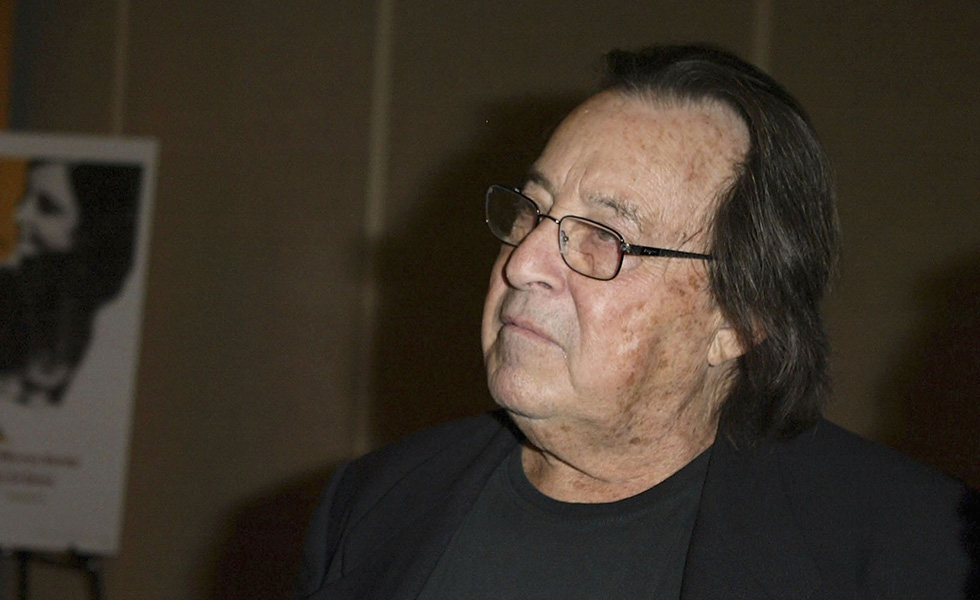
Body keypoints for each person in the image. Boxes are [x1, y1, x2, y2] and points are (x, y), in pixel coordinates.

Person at [294, 44, 978, 599]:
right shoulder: (371, 504)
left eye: (603, 236)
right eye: (533, 210)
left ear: (742, 319)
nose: (524, 262)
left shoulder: (916, 554)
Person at [0, 160, 142, 405]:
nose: (20, 214)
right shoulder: (11, 288)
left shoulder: (112, 329)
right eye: (25, 197)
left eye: (47, 207)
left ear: (91, 232)